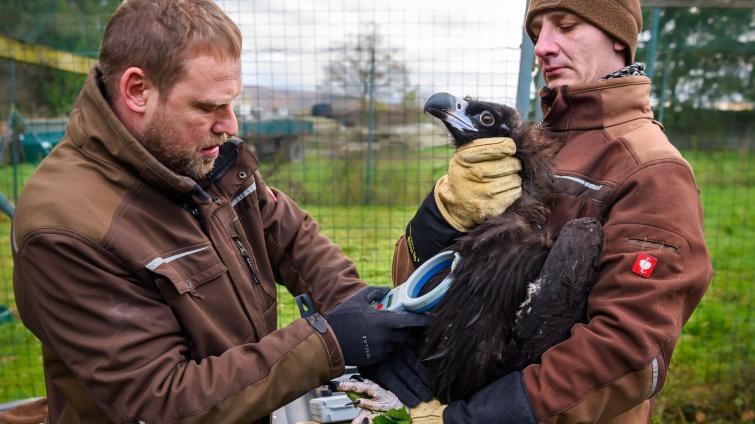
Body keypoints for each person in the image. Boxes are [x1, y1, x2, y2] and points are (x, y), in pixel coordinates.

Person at [10, 1, 427, 423]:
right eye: (207, 107)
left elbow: (286, 231)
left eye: (231, 103)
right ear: (137, 90)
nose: (230, 126)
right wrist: (330, 343)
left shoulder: (193, 155)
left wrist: (354, 306)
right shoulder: (66, 231)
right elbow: (162, 401)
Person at [359, 0, 713, 422]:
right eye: (536, 32)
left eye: (565, 26)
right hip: (457, 393)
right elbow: (414, 286)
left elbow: (628, 352)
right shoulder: (519, 148)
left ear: (618, 37)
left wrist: (472, 418)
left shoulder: (651, 170)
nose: (543, 47)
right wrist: (443, 214)